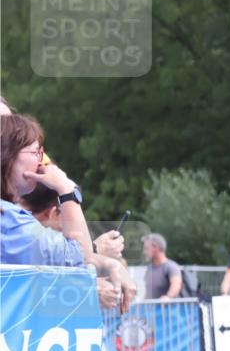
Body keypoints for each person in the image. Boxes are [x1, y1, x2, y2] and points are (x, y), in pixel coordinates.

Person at [1, 113, 135, 312]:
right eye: (36, 151)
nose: (41, 162)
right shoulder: (9, 220)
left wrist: (106, 262)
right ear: (8, 154)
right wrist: (66, 190)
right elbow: (78, 258)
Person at [142, 233, 182, 299]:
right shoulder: (149, 268)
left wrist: (168, 297)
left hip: (167, 309)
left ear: (156, 248)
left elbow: (176, 285)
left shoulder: (171, 267)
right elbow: (148, 292)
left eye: (146, 248)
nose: (144, 252)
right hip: (151, 309)